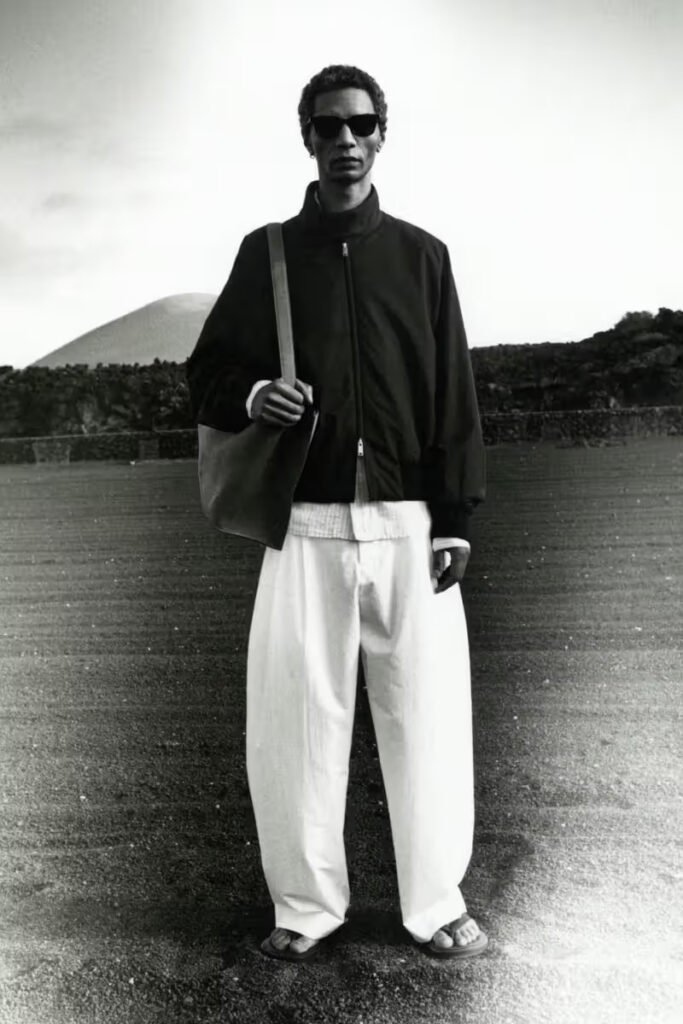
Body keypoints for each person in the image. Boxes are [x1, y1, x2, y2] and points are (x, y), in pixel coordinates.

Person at [187, 64, 487, 962]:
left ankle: (435, 904)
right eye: (327, 126)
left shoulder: (423, 257)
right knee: (293, 725)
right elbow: (205, 374)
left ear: (381, 134)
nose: (344, 140)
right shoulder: (268, 253)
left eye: (359, 124)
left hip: (408, 526)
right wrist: (253, 394)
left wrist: (454, 515)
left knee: (425, 722)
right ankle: (305, 907)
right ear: (307, 138)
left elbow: (453, 393)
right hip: (306, 524)